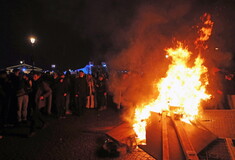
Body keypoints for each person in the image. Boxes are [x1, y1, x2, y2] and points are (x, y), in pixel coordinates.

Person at [28, 72, 52, 137]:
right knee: (37, 113)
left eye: (35, 75)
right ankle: (44, 122)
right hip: (32, 100)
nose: (34, 77)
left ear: (38, 76)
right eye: (33, 75)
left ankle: (32, 131)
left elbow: (49, 91)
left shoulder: (42, 83)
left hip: (38, 101)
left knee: (34, 116)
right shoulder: (32, 82)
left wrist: (43, 96)